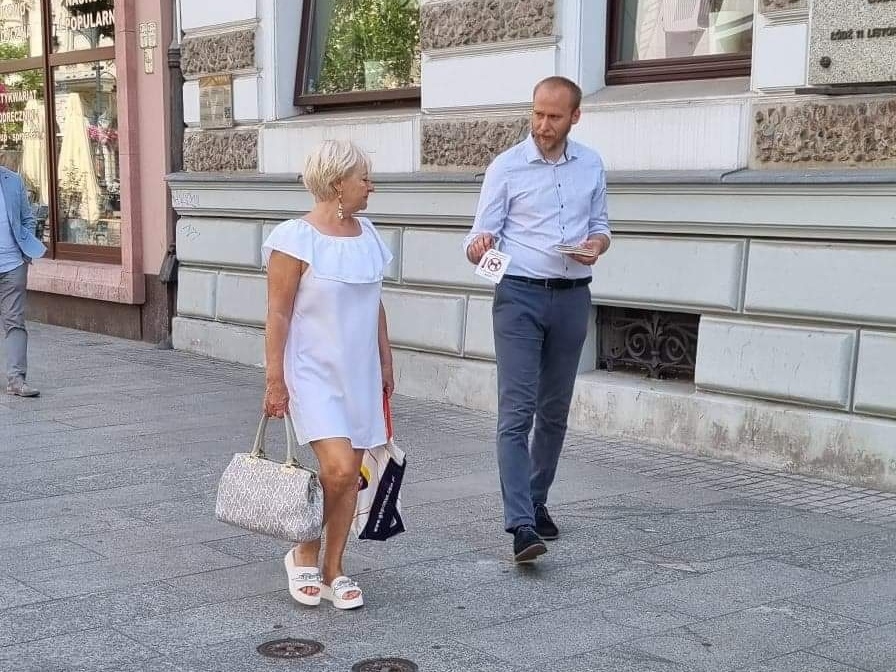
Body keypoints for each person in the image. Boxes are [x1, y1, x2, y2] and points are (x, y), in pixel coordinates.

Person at [463, 77, 611, 563]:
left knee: (554, 411)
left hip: (572, 297)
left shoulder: (591, 164)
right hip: (519, 296)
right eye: (537, 114)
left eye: (554, 117)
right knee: (517, 411)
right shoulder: (506, 167)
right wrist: (479, 247)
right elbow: (477, 239)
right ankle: (521, 525)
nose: (543, 125)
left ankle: (537, 499)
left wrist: (596, 245)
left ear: (575, 117)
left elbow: (600, 226)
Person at [262, 140, 393, 610]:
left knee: (349, 476)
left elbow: (374, 303)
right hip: (312, 372)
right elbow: (278, 314)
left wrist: (386, 360)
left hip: (360, 372)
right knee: (337, 468)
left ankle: (335, 568)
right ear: (338, 184)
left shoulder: (369, 235)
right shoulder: (294, 239)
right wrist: (274, 380)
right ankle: (304, 551)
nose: (371, 187)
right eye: (364, 178)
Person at [0, 167, 46, 398]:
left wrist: (25, 255)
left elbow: (28, 218)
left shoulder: (13, 180)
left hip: (13, 265)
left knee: (15, 321)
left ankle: (17, 380)